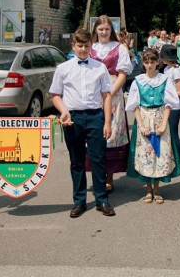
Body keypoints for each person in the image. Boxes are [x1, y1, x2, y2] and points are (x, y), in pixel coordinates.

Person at [50, 28, 114, 218]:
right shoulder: (63, 68)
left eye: (86, 46)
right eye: (80, 46)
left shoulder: (99, 67)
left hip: (95, 116)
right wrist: (64, 111)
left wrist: (108, 121)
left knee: (98, 159)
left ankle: (102, 199)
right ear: (73, 46)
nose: (83, 50)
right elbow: (55, 95)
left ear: (91, 46)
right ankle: (79, 201)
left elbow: (106, 96)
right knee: (76, 161)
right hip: (73, 119)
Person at [126, 49, 180, 204]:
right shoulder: (138, 81)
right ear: (143, 63)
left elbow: (169, 104)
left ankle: (157, 189)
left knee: (160, 153)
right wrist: (141, 125)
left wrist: (164, 123)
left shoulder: (164, 80)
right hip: (144, 117)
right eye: (146, 62)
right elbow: (134, 105)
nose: (149, 65)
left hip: (159, 116)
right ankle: (148, 189)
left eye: (152, 62)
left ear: (158, 62)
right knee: (145, 153)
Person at [90, 16, 133, 190]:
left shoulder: (119, 48)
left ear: (111, 30)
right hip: (92, 94)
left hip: (113, 93)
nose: (104, 32)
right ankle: (96, 175)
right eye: (101, 29)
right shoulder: (90, 48)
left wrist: (108, 93)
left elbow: (123, 74)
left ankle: (109, 177)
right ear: (95, 30)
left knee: (111, 134)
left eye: (107, 29)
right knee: (94, 133)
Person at [159, 44, 180, 172]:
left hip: (175, 105)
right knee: (169, 133)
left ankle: (179, 161)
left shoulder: (175, 70)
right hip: (168, 105)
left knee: (173, 133)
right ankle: (172, 158)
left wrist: (167, 94)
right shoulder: (166, 69)